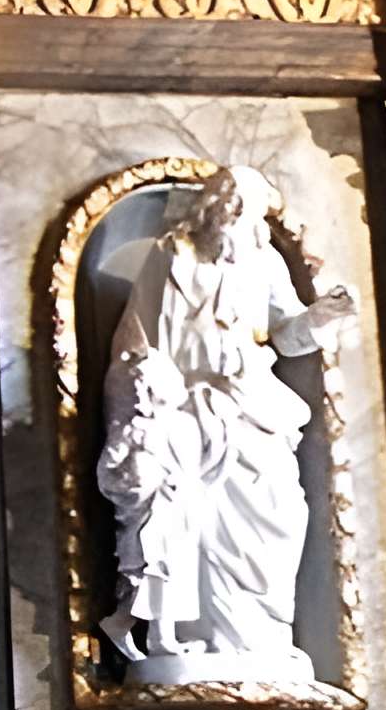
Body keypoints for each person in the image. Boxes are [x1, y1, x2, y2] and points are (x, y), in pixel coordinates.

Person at [92, 166, 354, 682]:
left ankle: (264, 638)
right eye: (228, 203)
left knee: (282, 511)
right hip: (187, 411)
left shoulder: (265, 262)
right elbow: (135, 342)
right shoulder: (171, 258)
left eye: (246, 208)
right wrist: (147, 392)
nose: (235, 216)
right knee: (184, 521)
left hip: (253, 409)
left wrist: (322, 317)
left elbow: (288, 335)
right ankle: (187, 637)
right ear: (209, 208)